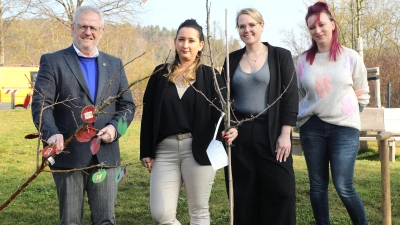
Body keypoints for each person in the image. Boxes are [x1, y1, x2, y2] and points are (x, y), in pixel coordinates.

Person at [31, 5, 135, 225]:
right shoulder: (53, 61)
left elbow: (127, 105)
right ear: (72, 28)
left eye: (93, 27)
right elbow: (41, 104)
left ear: (102, 31)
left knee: (106, 220)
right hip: (68, 155)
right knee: (70, 221)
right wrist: (51, 133)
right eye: (83, 26)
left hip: (105, 156)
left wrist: (115, 129)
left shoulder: (114, 64)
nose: (88, 32)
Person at [140, 19, 237, 225]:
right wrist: (146, 151)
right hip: (164, 151)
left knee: (199, 211)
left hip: (199, 149)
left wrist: (232, 129)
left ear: (201, 45)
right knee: (161, 214)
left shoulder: (210, 76)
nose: (186, 45)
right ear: (175, 42)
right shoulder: (160, 74)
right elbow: (148, 114)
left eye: (191, 40)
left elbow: (225, 113)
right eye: (181, 39)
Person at [221, 8, 298, 225]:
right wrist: (233, 125)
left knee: (282, 192)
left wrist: (286, 133)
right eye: (242, 26)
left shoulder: (280, 56)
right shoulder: (231, 59)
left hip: (272, 131)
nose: (247, 30)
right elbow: (225, 100)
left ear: (261, 26)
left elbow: (290, 96)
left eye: (251, 25)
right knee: (244, 195)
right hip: (240, 134)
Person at [295, 2, 370, 225]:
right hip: (312, 128)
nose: (317, 30)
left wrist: (348, 114)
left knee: (343, 186)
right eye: (312, 27)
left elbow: (362, 93)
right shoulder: (302, 61)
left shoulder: (351, 57)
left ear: (332, 25)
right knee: (317, 187)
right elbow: (300, 94)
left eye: (321, 24)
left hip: (344, 130)